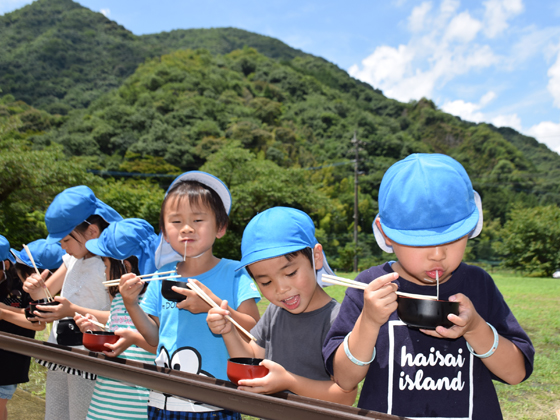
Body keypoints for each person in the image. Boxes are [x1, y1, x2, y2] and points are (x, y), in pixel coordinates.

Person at [322, 153, 535, 419]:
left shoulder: (478, 285)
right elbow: (343, 379)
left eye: (452, 239)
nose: (437, 254)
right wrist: (369, 321)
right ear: (385, 233)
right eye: (419, 242)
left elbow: (516, 373)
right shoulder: (369, 288)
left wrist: (475, 328)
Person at [120, 171, 261, 420]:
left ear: (220, 227)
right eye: (175, 222)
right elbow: (153, 337)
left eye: (198, 220)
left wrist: (211, 305)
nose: (186, 228)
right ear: (164, 231)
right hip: (162, 400)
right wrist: (131, 304)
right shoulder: (161, 276)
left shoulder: (235, 273)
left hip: (215, 402)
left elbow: (253, 331)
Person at [207, 207, 356, 405]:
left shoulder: (336, 319)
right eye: (266, 282)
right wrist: (228, 331)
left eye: (290, 273)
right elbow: (252, 358)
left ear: (316, 257)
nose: (281, 289)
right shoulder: (275, 311)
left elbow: (345, 396)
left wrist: (289, 382)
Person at [23, 185, 122, 420]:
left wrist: (72, 310)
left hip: (89, 356)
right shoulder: (70, 259)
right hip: (60, 349)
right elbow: (48, 297)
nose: (62, 247)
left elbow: (121, 318)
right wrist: (36, 290)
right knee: (55, 415)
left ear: (92, 232)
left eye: (66, 239)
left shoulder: (111, 264)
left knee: (81, 415)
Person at [74, 218, 158, 420]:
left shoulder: (156, 300)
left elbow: (163, 346)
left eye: (105, 263)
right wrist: (94, 332)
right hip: (102, 405)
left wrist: (134, 338)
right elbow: (114, 343)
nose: (104, 271)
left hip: (136, 409)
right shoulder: (119, 300)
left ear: (126, 267)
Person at [1, 236, 60, 420]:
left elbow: (38, 321)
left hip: (9, 359)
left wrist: (3, 313)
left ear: (5, 265)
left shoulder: (23, 286)